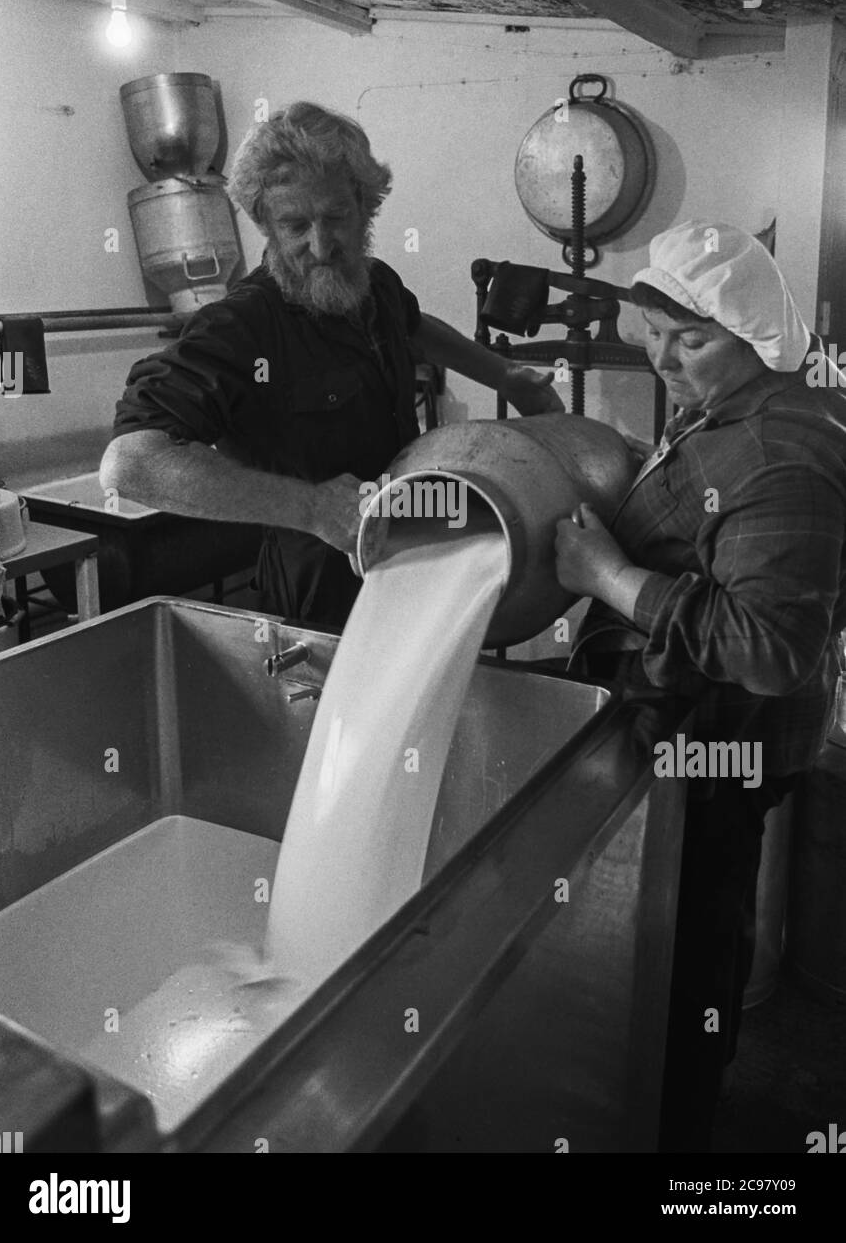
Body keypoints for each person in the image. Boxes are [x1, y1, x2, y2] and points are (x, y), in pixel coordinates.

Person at [553, 219, 846, 1153]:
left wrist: (607, 578)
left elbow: (769, 650)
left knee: (691, 938)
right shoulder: (724, 411)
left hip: (722, 743)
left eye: (695, 339)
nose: (668, 360)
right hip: (680, 728)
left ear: (756, 334)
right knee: (674, 922)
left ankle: (679, 1128)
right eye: (657, 332)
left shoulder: (779, 453)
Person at [101, 101, 561, 631]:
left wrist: (504, 375)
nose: (321, 246)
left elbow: (413, 326)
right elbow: (130, 463)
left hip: (406, 550)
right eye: (295, 224)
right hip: (316, 594)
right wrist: (312, 508)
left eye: (337, 218)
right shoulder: (240, 327)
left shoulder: (374, 283)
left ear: (366, 206)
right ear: (265, 224)